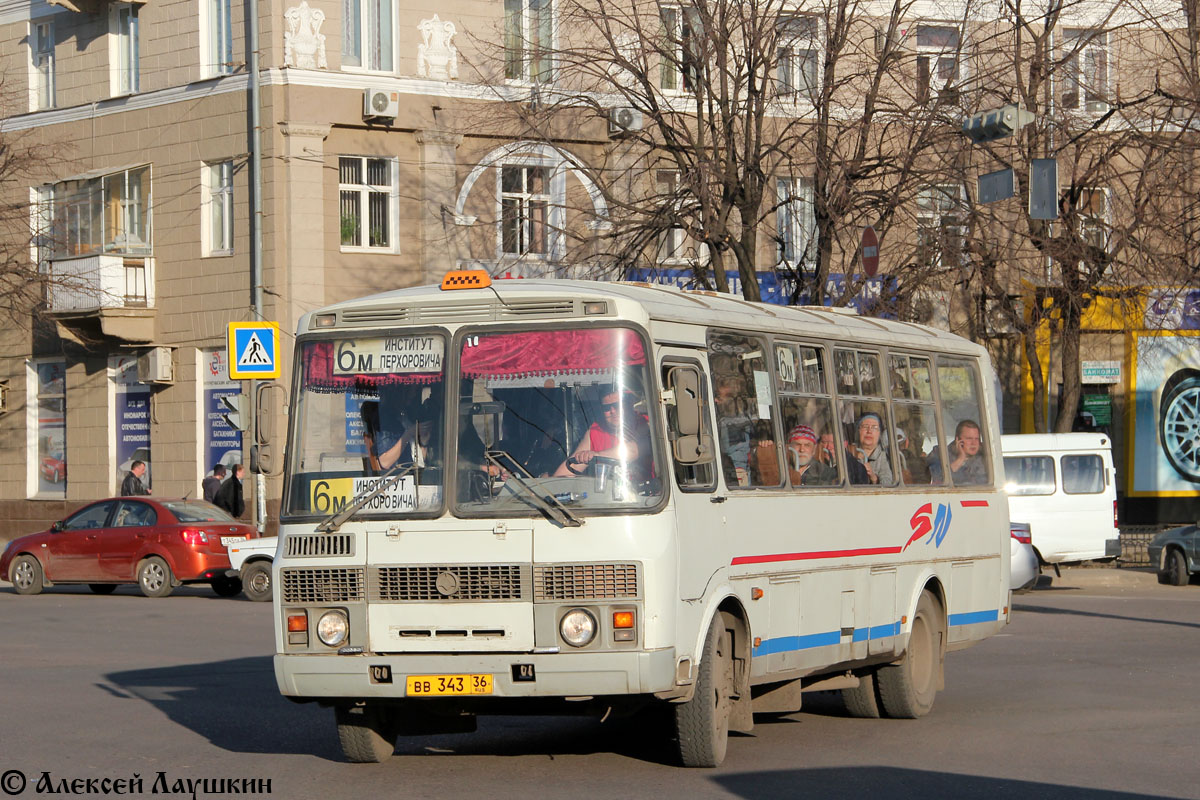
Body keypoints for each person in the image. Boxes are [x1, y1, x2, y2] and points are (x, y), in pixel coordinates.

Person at [554, 388, 652, 481]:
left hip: (648, 496)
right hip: (607, 496)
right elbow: (572, 466)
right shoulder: (595, 431)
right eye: (606, 408)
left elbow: (633, 450)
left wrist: (596, 455)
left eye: (617, 405)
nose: (612, 411)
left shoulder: (647, 423)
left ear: (629, 404)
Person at [930, 419, 987, 485]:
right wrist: (960, 459)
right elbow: (935, 480)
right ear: (958, 440)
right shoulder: (940, 454)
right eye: (969, 438)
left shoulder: (985, 458)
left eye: (976, 439)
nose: (973, 443)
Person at [851, 412, 893, 485]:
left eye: (874, 427)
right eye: (865, 426)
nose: (869, 431)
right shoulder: (850, 451)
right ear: (858, 430)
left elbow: (888, 483)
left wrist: (874, 478)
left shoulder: (884, 455)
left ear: (879, 433)